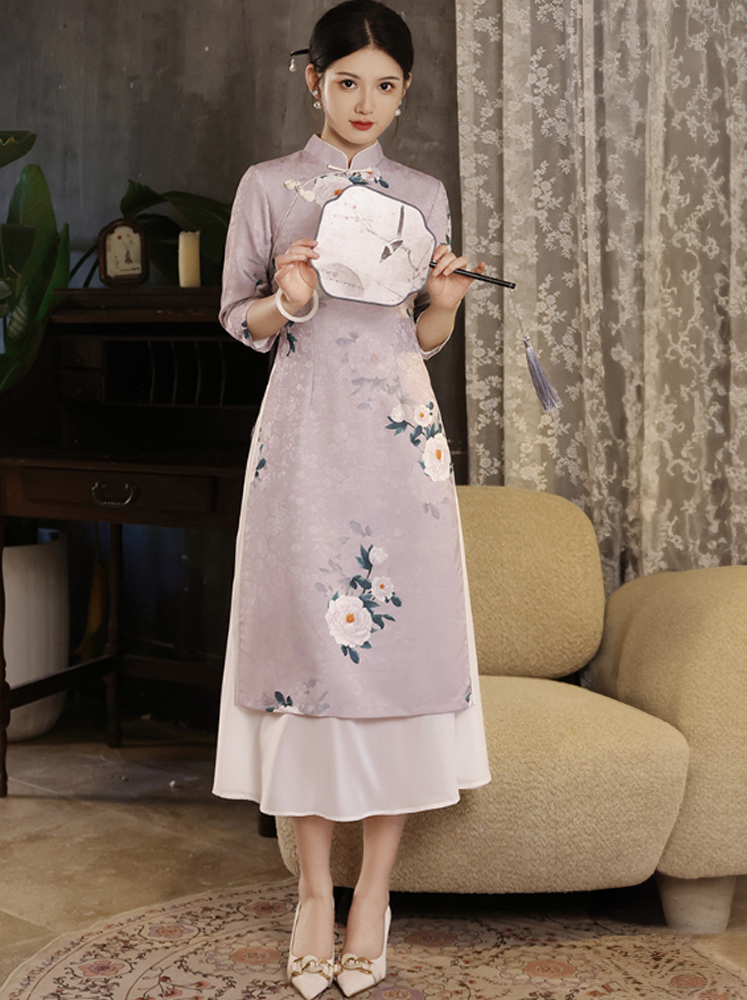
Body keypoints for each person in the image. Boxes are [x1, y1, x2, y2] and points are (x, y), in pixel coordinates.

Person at [211, 2, 492, 996]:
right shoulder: (268, 186)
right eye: (346, 82)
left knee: (398, 653)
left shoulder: (423, 192)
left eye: (384, 86)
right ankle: (311, 894)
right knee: (307, 656)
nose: (364, 103)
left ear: (404, 93)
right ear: (313, 81)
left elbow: (417, 336)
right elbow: (236, 316)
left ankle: (373, 892)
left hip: (399, 443)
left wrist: (443, 308)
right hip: (303, 440)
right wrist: (285, 302)